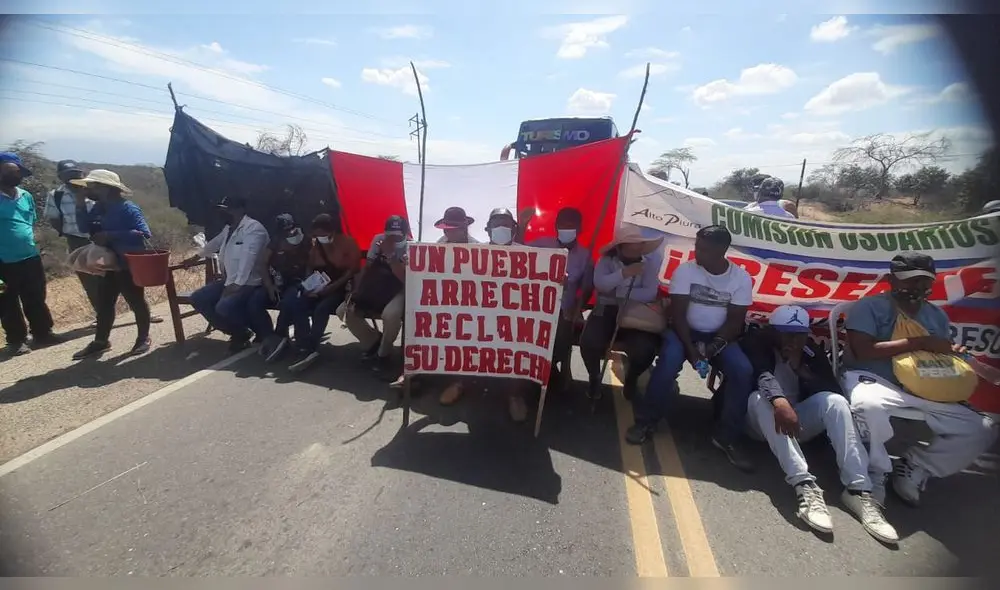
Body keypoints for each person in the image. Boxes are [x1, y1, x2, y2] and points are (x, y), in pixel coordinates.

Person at [845, 253, 998, 507]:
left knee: (981, 428)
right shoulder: (869, 307)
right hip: (878, 380)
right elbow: (864, 351)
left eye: (923, 282)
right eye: (909, 280)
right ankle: (876, 471)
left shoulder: (936, 316)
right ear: (890, 279)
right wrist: (921, 342)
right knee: (867, 406)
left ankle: (917, 465)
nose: (916, 287)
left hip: (928, 385)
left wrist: (952, 353)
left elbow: (938, 354)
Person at [742, 305, 898, 543]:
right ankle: (804, 484)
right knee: (759, 399)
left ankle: (858, 489)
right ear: (773, 331)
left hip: (797, 424)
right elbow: (761, 375)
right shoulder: (758, 342)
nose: (792, 340)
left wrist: (804, 373)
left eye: (798, 334)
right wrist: (780, 401)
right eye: (785, 333)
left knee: (834, 402)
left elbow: (832, 389)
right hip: (759, 422)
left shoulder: (810, 351)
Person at [627, 225, 755, 473]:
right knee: (668, 362)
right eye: (697, 245)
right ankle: (646, 422)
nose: (697, 252)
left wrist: (713, 346)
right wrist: (692, 349)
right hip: (683, 332)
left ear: (722, 250)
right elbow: (678, 315)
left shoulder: (740, 279)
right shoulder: (685, 271)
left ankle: (727, 436)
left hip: (720, 337)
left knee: (743, 370)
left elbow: (735, 321)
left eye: (704, 249)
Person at [70, 170, 153, 359]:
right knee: (105, 303)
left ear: (106, 188)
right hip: (107, 264)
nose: (89, 189)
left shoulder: (128, 208)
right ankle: (101, 341)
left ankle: (143, 338)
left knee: (136, 301)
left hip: (126, 263)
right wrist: (80, 204)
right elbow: (84, 228)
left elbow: (144, 233)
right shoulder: (99, 208)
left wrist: (111, 235)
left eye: (93, 186)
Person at [579, 224, 664, 403]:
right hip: (606, 309)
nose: (635, 254)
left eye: (638, 249)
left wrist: (619, 293)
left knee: (645, 350)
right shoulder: (606, 261)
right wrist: (624, 274)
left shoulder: (649, 262)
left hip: (636, 312)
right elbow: (601, 284)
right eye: (630, 249)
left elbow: (650, 292)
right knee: (589, 342)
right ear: (620, 248)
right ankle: (594, 378)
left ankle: (632, 378)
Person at [183, 196, 271, 352]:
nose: (224, 212)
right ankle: (240, 332)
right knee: (198, 298)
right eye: (222, 209)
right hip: (230, 280)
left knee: (224, 306)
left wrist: (236, 286)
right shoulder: (229, 228)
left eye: (228, 209)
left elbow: (248, 259)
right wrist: (195, 257)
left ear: (240, 210)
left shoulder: (253, 229)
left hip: (251, 281)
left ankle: (262, 330)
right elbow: (215, 243)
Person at [521, 206, 594, 392]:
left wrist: (577, 310)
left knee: (561, 335)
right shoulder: (541, 245)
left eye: (572, 225)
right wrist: (522, 226)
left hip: (565, 310)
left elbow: (586, 289)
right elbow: (517, 254)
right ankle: (540, 370)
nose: (567, 228)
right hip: (536, 307)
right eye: (563, 225)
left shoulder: (585, 256)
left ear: (579, 228)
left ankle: (550, 368)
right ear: (556, 226)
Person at [284, 213, 361, 372]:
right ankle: (302, 345)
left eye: (322, 234)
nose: (319, 237)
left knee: (322, 309)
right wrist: (308, 286)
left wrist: (332, 288)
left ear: (331, 231)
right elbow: (310, 266)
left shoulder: (347, 243)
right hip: (318, 283)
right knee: (298, 304)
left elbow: (352, 270)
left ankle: (312, 346)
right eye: (317, 235)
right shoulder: (316, 245)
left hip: (338, 287)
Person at [0, 152, 60, 356]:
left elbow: (29, 222)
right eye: (10, 171)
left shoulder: (25, 196)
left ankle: (43, 333)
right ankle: (16, 340)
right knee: (6, 301)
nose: (16, 176)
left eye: (18, 172)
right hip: (2, 260)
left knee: (36, 296)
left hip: (29, 256)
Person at [342, 215, 409, 372]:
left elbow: (405, 279)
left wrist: (391, 255)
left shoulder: (410, 246)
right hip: (378, 284)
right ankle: (373, 341)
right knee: (345, 310)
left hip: (400, 287)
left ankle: (384, 354)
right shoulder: (378, 239)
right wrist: (356, 290)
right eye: (389, 234)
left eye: (397, 235)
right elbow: (368, 267)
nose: (392, 238)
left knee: (390, 315)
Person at [44, 160, 101, 313]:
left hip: (103, 237)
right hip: (77, 241)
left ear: (82, 174)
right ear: (60, 177)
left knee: (118, 275)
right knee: (88, 280)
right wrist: (68, 234)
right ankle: (102, 315)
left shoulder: (94, 190)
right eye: (68, 175)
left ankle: (141, 312)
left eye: (76, 173)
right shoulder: (56, 195)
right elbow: (54, 219)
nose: (73, 177)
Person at [256, 214, 312, 362]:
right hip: (278, 282)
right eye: (285, 231)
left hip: (298, 282)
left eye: (291, 230)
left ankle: (301, 343)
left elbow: (311, 264)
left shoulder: (305, 240)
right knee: (255, 301)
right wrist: (269, 286)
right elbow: (262, 264)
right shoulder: (275, 242)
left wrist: (307, 282)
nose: (289, 233)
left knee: (292, 302)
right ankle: (269, 336)